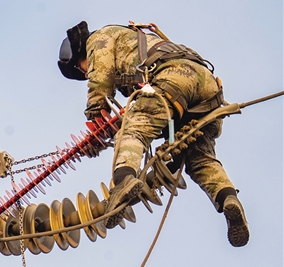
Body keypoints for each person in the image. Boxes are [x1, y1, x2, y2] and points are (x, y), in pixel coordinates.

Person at [58, 21, 249, 247]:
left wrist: (94, 119)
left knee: (135, 127)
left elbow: (101, 80)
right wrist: (104, 133)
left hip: (175, 77)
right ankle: (228, 199)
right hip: (208, 91)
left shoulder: (98, 39)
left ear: (78, 55)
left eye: (82, 69)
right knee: (200, 158)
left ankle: (123, 181)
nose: (86, 73)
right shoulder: (131, 43)